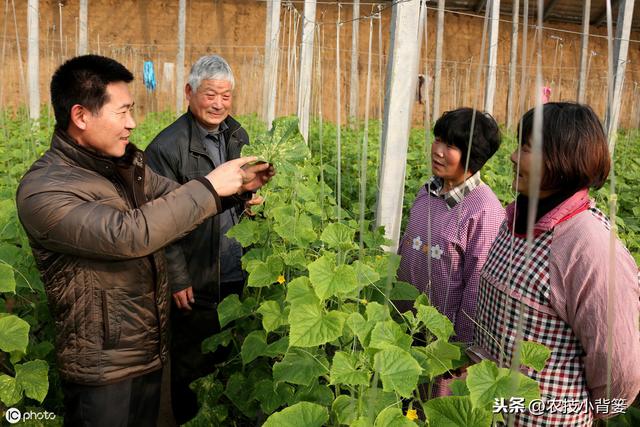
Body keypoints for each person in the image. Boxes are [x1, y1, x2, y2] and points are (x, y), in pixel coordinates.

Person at [15, 54, 274, 427]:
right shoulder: (44, 190)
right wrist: (210, 187)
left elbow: (178, 201)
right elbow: (129, 234)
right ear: (81, 116)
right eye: (122, 113)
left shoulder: (126, 169)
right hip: (104, 370)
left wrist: (235, 193)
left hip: (152, 350)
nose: (133, 124)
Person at [469, 102, 640, 425]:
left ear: (562, 161)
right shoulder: (514, 221)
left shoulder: (588, 246)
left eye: (527, 148)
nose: (513, 157)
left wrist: (584, 412)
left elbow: (618, 367)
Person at [144, 55, 258, 424]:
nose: (219, 104)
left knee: (230, 361)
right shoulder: (166, 148)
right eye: (211, 94)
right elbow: (160, 219)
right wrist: (176, 275)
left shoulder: (237, 134)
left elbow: (238, 189)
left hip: (236, 270)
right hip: (196, 275)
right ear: (190, 92)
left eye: (226, 96)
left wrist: (252, 199)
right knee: (192, 366)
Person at [397, 107, 505, 345]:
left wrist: (460, 345)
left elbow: (477, 287)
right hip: (402, 322)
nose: (438, 151)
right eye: (438, 140)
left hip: (440, 338)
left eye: (450, 146)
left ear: (473, 156)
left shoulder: (483, 211)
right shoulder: (427, 192)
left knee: (432, 383)